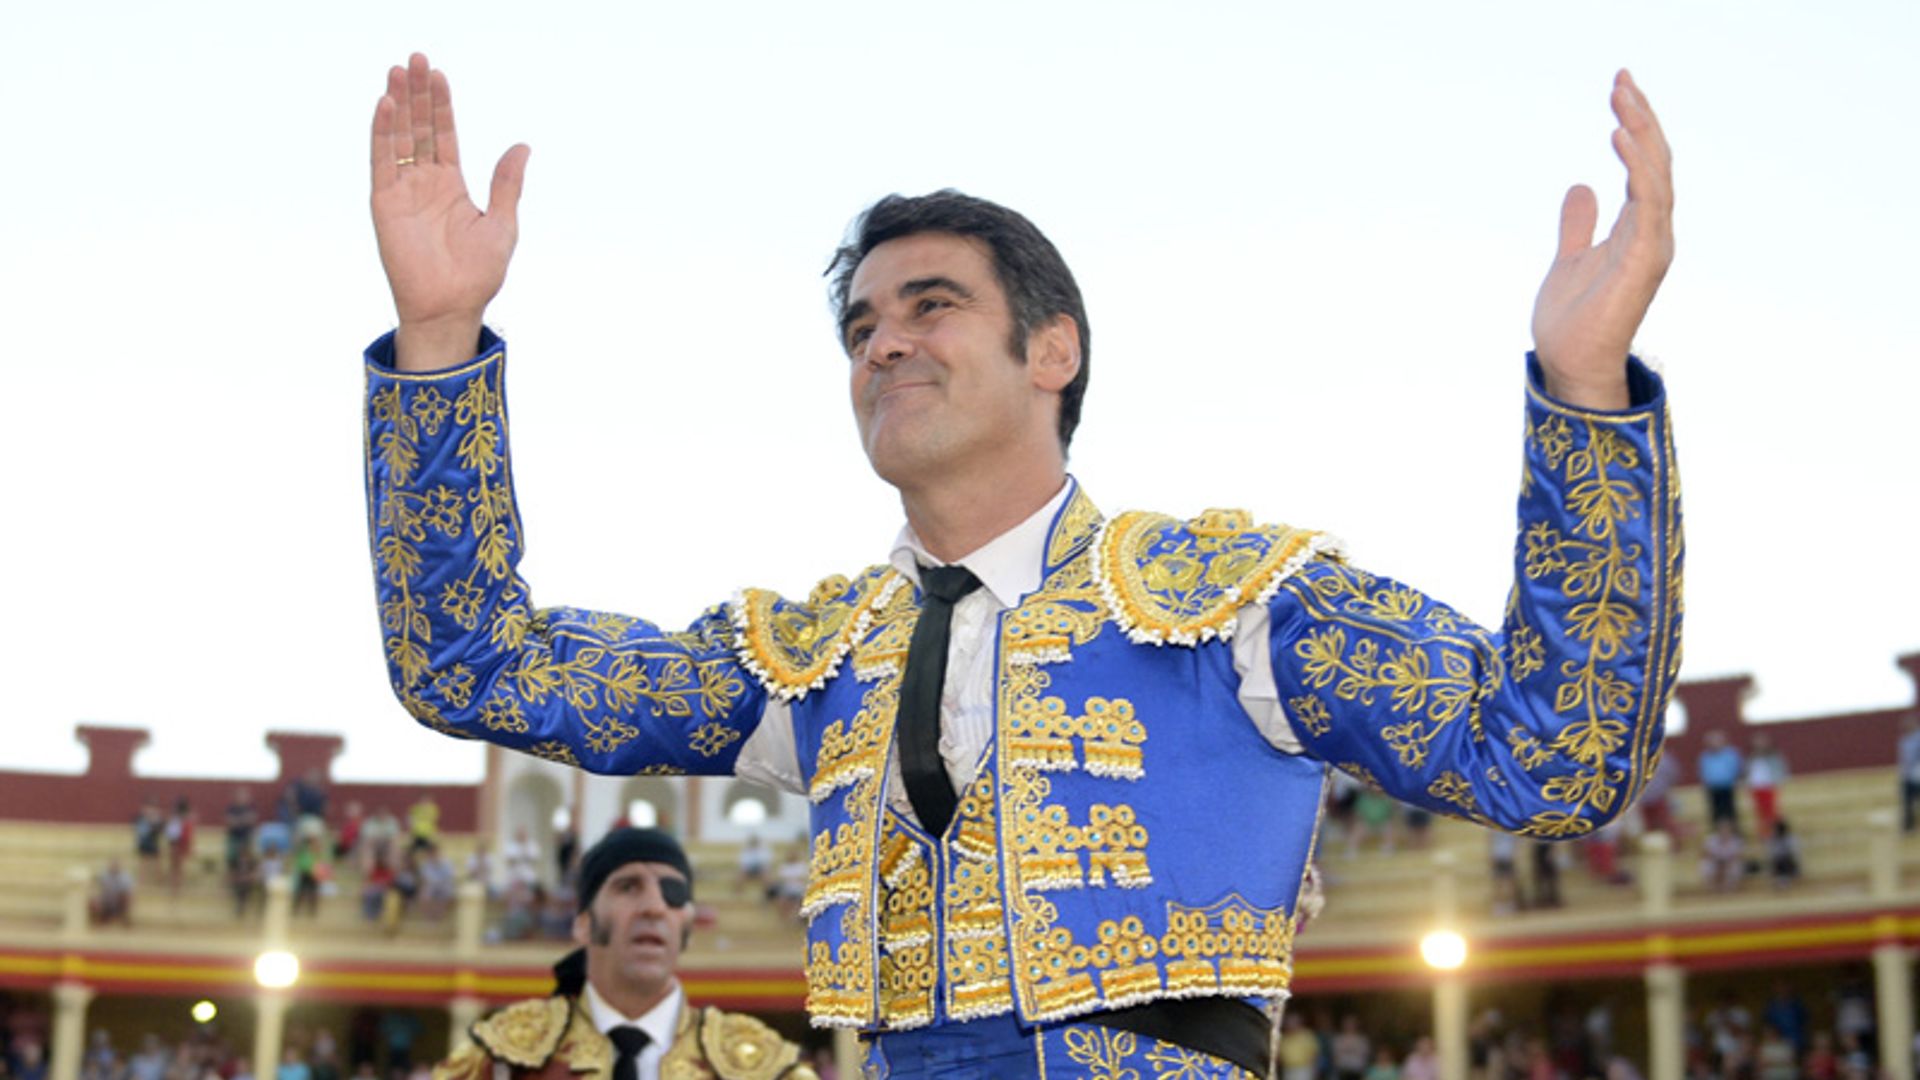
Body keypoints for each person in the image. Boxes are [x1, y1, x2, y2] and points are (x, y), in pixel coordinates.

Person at [362, 53, 1679, 1076]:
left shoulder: (1233, 609)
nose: (882, 344)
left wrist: (1583, 392)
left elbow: (1555, 748)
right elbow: (479, 667)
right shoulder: (808, 659)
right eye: (861, 324)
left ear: (1054, 353)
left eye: (933, 306)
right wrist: (438, 340)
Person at [430, 828, 814, 1080]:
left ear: (688, 925)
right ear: (582, 923)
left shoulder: (764, 1068)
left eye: (673, 893)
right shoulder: (501, 1060)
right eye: (628, 887)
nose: (654, 907)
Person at [1698, 730, 1744, 834]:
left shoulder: (1731, 754)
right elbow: (1703, 772)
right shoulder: (1705, 756)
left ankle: (1734, 834)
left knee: (1730, 812)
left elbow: (1737, 769)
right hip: (1713, 789)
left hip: (1728, 788)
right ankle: (1718, 834)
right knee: (1716, 814)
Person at [1747, 731, 1788, 839]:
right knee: (1760, 812)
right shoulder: (1751, 758)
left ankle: (1776, 833)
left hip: (1769, 786)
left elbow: (1780, 770)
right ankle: (1764, 834)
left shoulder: (1774, 756)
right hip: (1756, 788)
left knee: (1771, 811)